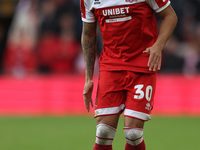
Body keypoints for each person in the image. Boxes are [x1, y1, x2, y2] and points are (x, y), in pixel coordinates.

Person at [80, 0, 177, 150]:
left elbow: (170, 16)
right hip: (110, 66)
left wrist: (158, 46)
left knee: (133, 133)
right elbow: (88, 35)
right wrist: (88, 79)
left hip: (142, 65)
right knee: (103, 132)